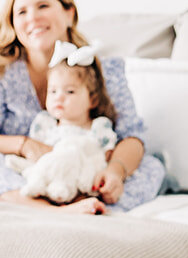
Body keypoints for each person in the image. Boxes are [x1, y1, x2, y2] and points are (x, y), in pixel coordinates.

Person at [0, 0, 165, 215]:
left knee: (152, 167)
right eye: (21, 12)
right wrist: (24, 145)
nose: (33, 17)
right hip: (27, 177)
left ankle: (95, 205)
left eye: (43, 6)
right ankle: (51, 211)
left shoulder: (104, 70)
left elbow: (132, 137)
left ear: (69, 13)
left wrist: (115, 170)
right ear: (13, 23)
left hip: (87, 175)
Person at [8, 43, 118, 203]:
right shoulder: (45, 124)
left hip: (80, 182)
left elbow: (103, 159)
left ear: (92, 99)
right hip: (49, 177)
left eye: (70, 91)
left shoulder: (98, 127)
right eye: (53, 91)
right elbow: (37, 156)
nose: (59, 97)